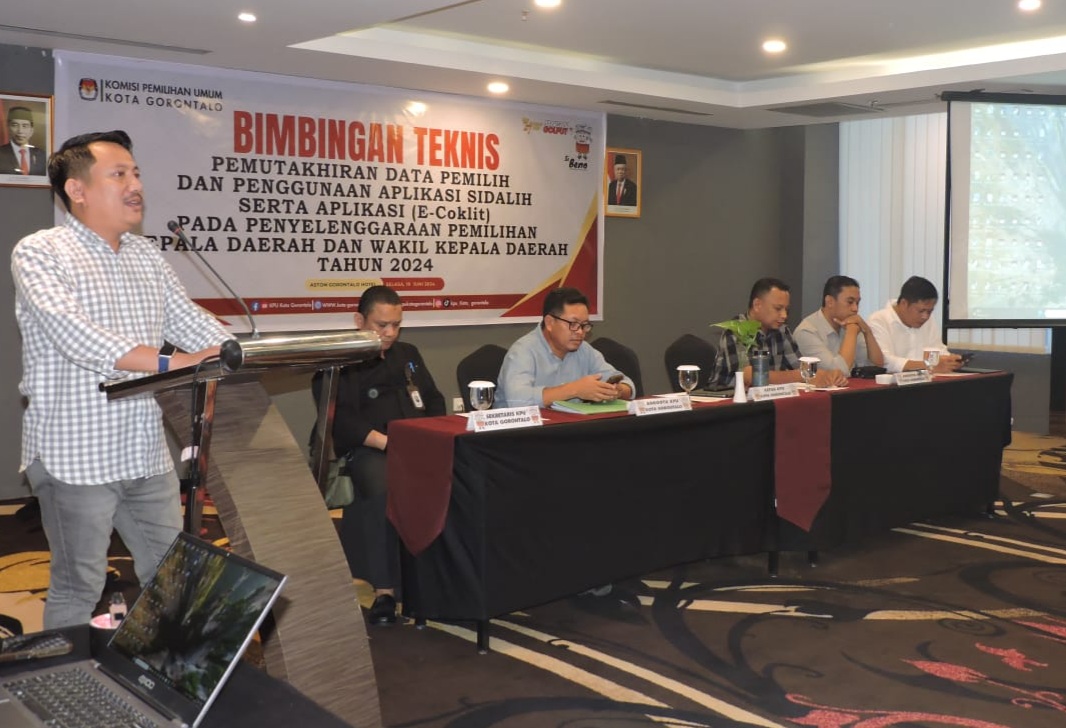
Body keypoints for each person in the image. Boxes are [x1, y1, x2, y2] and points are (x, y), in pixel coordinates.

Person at [11, 130, 232, 630]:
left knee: (171, 575)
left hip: (142, 449)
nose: (136, 185)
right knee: (80, 586)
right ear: (77, 189)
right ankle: (63, 678)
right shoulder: (41, 252)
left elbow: (190, 320)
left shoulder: (145, 255)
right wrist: (175, 362)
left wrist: (235, 349)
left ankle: (165, 667)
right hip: (74, 454)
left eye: (136, 173)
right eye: (119, 175)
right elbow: (78, 337)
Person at [312, 285, 445, 625]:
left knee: (455, 472)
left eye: (396, 325)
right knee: (382, 484)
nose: (390, 333)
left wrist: (430, 436)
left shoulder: (408, 354)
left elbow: (433, 399)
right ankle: (385, 590)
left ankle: (440, 575)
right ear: (359, 321)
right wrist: (389, 444)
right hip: (368, 449)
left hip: (415, 443)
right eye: (381, 325)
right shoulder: (338, 362)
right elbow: (341, 420)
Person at [496, 287, 634, 408]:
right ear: (550, 323)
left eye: (585, 325)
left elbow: (628, 384)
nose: (580, 332)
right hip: (521, 429)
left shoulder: (584, 350)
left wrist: (617, 391)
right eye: (573, 324)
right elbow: (519, 401)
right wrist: (574, 389)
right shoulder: (523, 351)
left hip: (569, 427)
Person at [709, 277, 850, 388]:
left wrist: (829, 375)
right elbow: (748, 375)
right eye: (778, 309)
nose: (784, 315)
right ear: (757, 305)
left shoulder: (781, 330)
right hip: (727, 405)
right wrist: (802, 375)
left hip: (767, 401)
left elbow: (800, 367)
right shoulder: (736, 330)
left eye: (786, 310)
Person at [868, 275, 963, 373]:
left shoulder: (929, 320)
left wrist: (950, 361)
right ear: (904, 303)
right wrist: (928, 365)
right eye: (921, 311)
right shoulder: (878, 320)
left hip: (927, 380)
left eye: (929, 311)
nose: (925, 317)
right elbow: (884, 361)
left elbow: (937, 349)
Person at [794, 275, 885, 372]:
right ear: (830, 301)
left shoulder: (851, 324)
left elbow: (877, 366)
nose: (855, 309)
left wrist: (867, 331)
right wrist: (851, 332)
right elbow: (838, 371)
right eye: (850, 302)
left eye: (857, 303)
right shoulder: (807, 331)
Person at [1, 106, 47, 176]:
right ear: (8, 128)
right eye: (15, 125)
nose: (20, 131)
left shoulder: (42, 155)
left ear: (31, 130)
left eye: (25, 126)